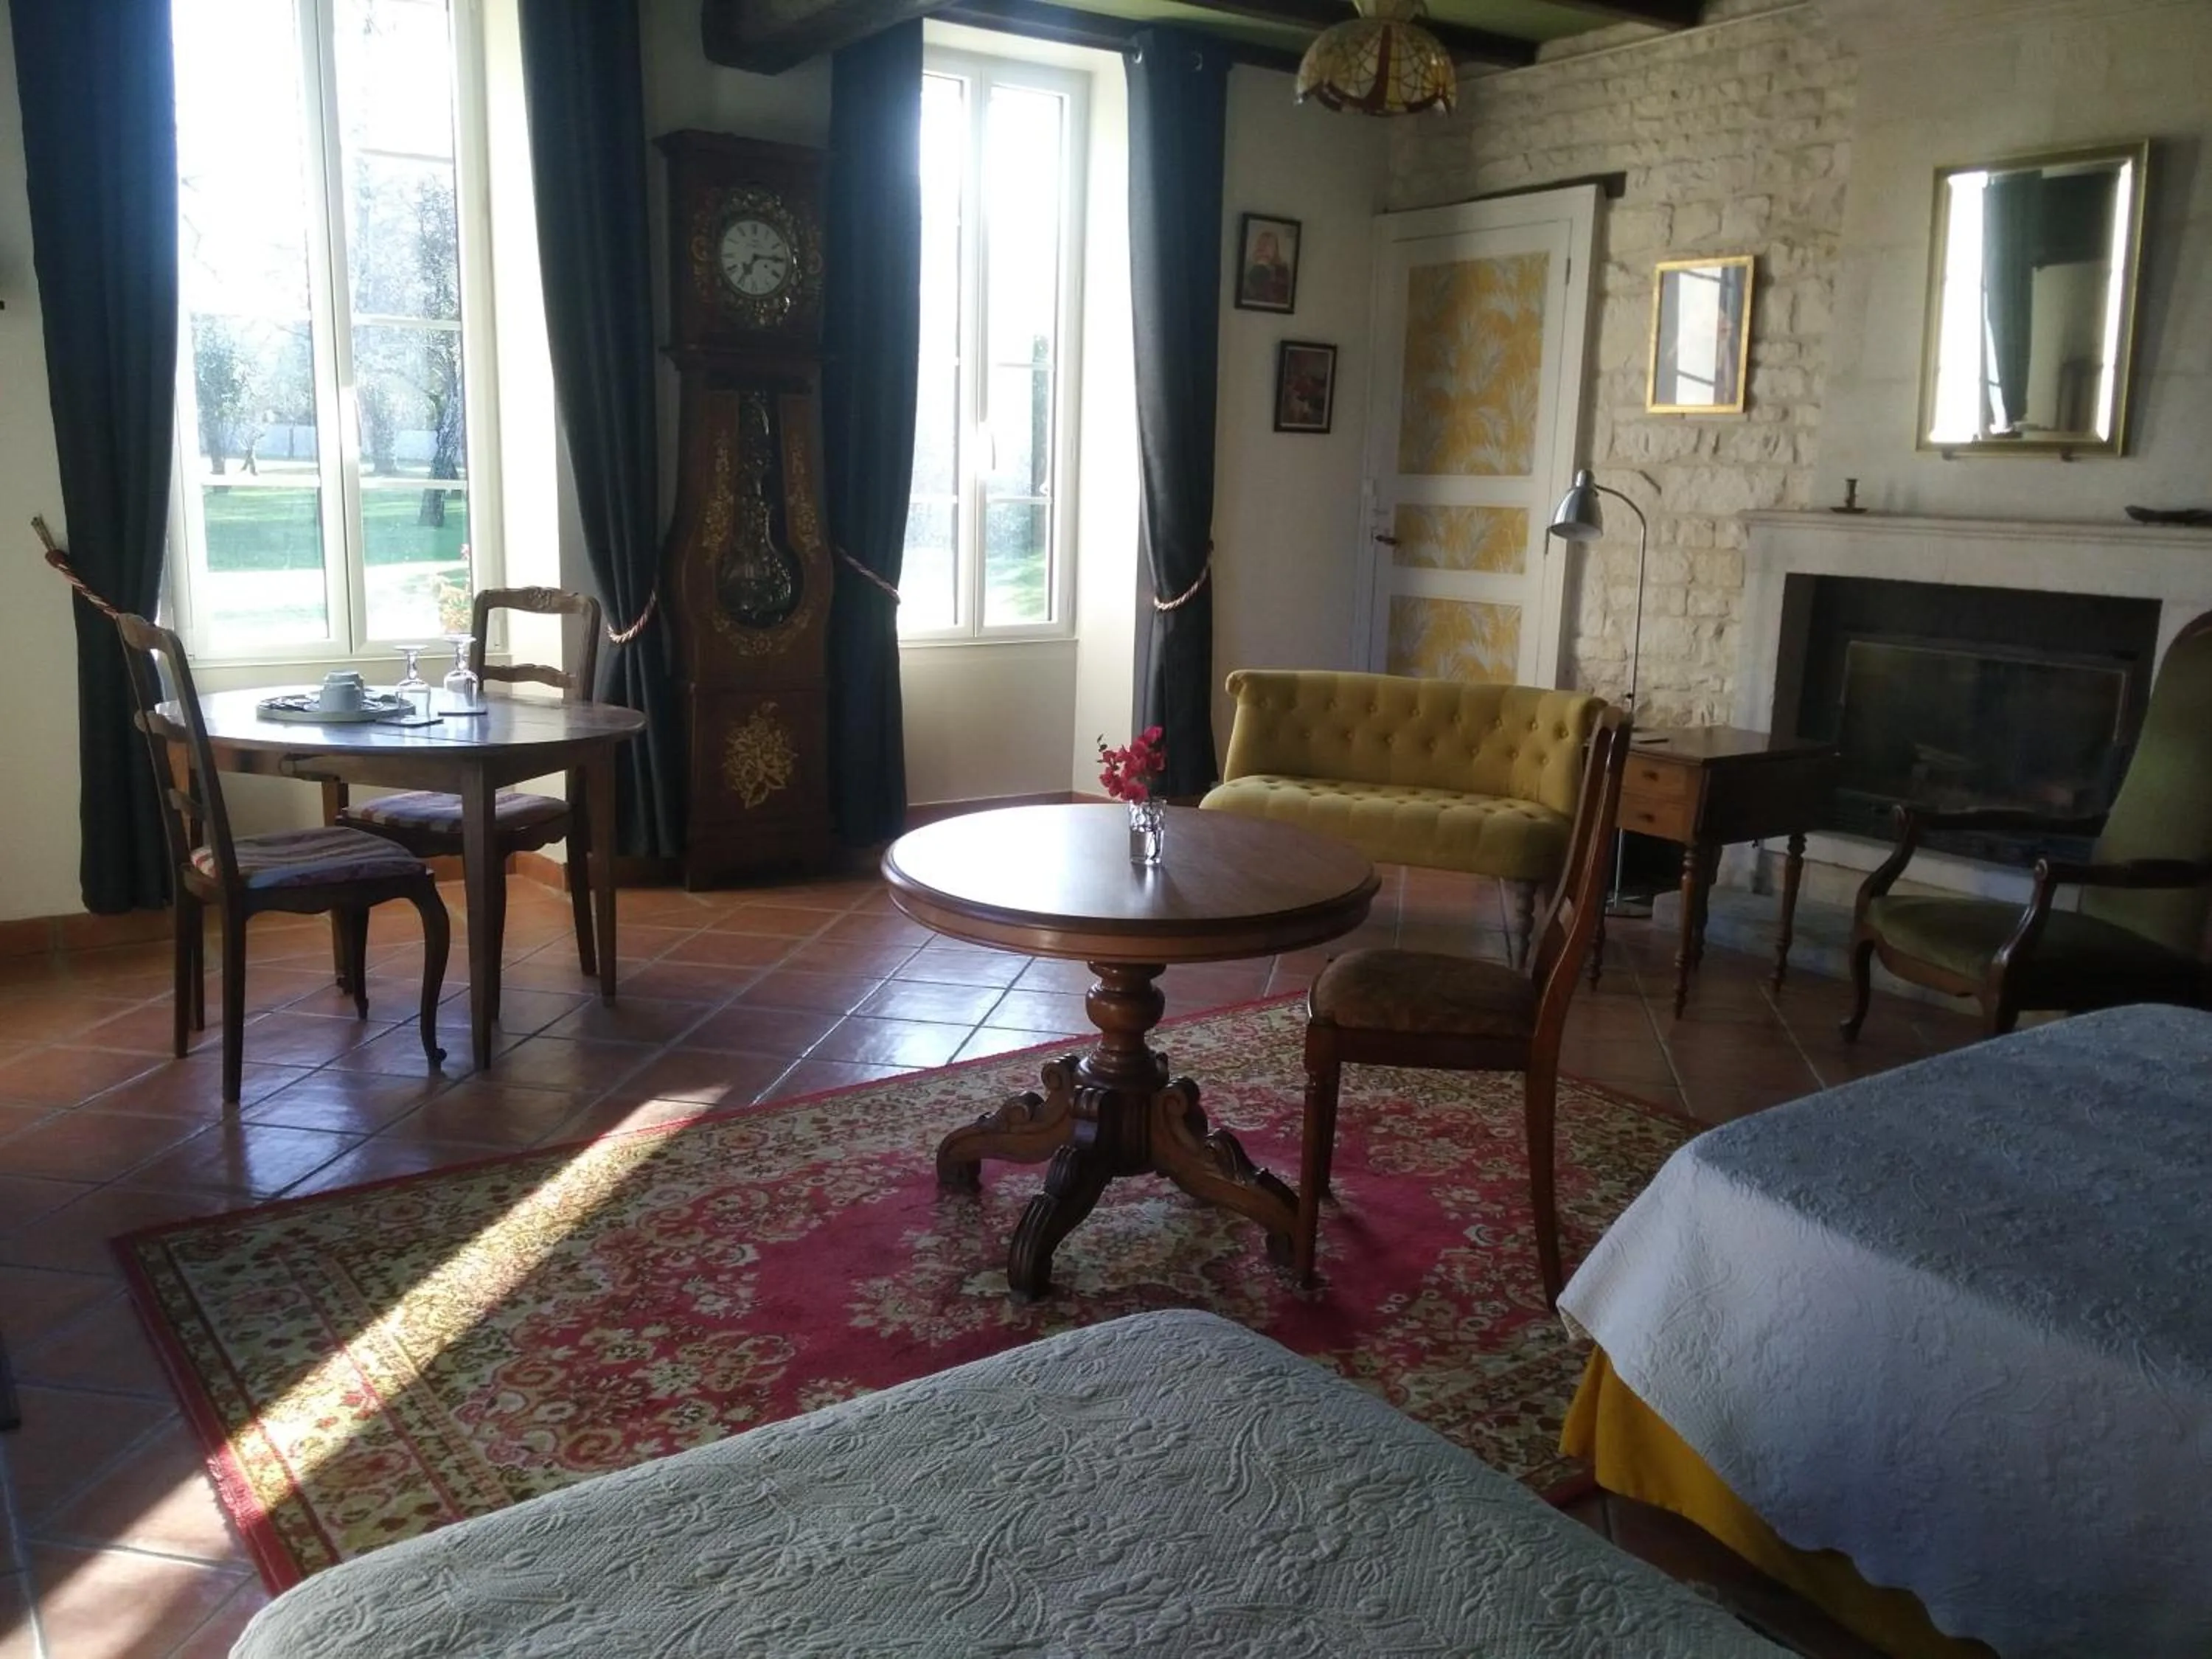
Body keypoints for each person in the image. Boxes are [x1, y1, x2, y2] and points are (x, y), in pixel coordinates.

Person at [1244, 228, 1293, 307]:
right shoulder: (1247, 268)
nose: (1263, 247)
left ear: (1275, 250)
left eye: (1268, 244)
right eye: (1260, 243)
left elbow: (1279, 297)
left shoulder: (1283, 271)